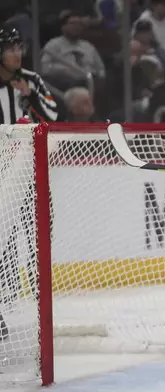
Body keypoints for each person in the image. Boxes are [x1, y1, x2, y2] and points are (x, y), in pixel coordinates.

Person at [0, 28, 58, 343]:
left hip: (31, 173)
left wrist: (30, 95)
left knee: (39, 236)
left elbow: (53, 113)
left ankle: (42, 304)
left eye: (18, 47)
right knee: (1, 243)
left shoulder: (32, 80)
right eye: (9, 48)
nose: (16, 53)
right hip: (1, 175)